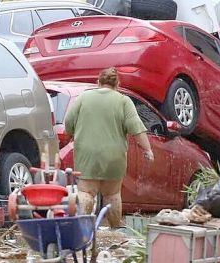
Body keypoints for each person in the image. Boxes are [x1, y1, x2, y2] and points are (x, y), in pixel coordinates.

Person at [63, 67, 153, 228]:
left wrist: (69, 136)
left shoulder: (83, 97)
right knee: (112, 195)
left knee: (86, 193)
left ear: (98, 82)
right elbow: (136, 128)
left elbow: (68, 123)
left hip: (87, 155)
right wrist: (148, 150)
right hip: (114, 156)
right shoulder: (124, 101)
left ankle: (82, 230)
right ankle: (115, 230)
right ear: (117, 84)